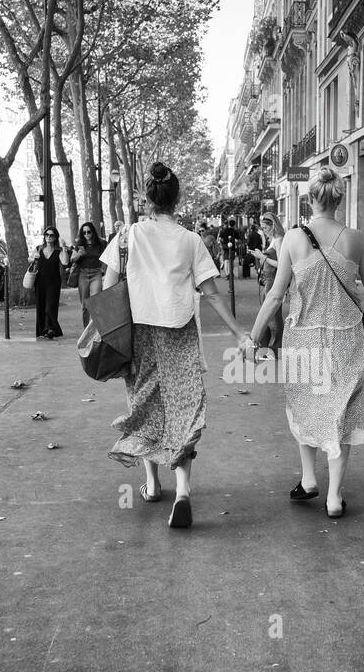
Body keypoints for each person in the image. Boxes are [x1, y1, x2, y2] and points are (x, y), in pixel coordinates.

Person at [100, 162, 252, 529]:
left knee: (143, 405)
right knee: (184, 409)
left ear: (146, 199)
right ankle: (182, 489)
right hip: (179, 331)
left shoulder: (127, 236)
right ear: (176, 198)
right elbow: (212, 294)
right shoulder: (190, 240)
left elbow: (107, 287)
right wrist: (240, 334)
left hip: (139, 334)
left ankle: (152, 484)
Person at [246, 167, 364, 519]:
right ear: (339, 200)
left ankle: (309, 479)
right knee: (341, 414)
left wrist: (253, 335)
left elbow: (276, 296)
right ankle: (334, 498)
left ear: (310, 199)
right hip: (346, 338)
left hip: (303, 338)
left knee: (304, 406)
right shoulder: (356, 239)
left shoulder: (293, 238)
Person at [250, 212, 284, 352]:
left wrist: (262, 257)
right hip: (267, 280)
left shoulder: (279, 240)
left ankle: (274, 348)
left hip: (274, 281)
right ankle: (266, 346)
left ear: (273, 226)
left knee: (273, 317)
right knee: (267, 315)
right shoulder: (273, 240)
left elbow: (282, 264)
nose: (264, 231)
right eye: (262, 228)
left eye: (265, 228)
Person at [70, 221, 107, 328]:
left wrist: (104, 269)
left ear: (93, 232)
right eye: (84, 232)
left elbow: (106, 258)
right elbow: (72, 260)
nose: (86, 234)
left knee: (96, 302)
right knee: (84, 305)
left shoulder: (101, 244)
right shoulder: (79, 245)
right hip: (83, 274)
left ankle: (96, 329)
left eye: (88, 232)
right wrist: (79, 255)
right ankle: (86, 330)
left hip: (96, 274)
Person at [33, 226, 64, 339]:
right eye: (47, 235)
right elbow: (31, 260)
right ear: (44, 236)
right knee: (41, 305)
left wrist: (64, 248)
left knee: (50, 306)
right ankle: (44, 330)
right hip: (40, 281)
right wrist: (33, 259)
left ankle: (49, 328)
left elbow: (65, 262)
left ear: (55, 237)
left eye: (51, 235)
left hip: (54, 282)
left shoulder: (58, 251)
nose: (49, 237)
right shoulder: (39, 249)